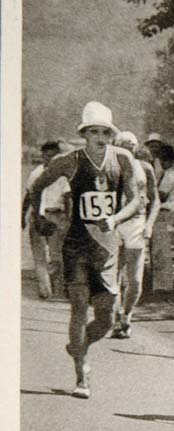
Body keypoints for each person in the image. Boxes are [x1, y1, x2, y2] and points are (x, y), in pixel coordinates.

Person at [28, 102, 140, 398]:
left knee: (105, 318)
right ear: (85, 134)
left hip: (107, 247)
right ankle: (82, 376)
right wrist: (39, 215)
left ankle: (79, 346)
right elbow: (37, 185)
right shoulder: (70, 161)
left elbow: (136, 201)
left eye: (105, 131)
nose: (100, 137)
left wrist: (115, 218)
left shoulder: (123, 159)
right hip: (77, 244)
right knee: (78, 307)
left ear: (112, 134)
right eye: (94, 131)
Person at [110, 131, 160, 338]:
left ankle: (126, 314)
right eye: (122, 146)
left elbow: (155, 200)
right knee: (113, 276)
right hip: (114, 223)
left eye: (130, 146)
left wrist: (149, 224)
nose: (127, 150)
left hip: (136, 223)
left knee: (135, 280)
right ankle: (115, 320)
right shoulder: (108, 168)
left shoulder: (145, 168)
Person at [22, 140, 71, 300]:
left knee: (57, 256)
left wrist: (69, 220)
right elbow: (29, 195)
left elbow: (68, 197)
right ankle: (45, 290)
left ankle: (57, 288)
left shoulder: (62, 176)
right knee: (39, 255)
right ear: (42, 156)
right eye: (47, 156)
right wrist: (23, 215)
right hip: (38, 215)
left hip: (57, 216)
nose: (50, 159)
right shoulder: (36, 173)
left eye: (54, 156)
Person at [151, 144, 174, 292]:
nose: (164, 162)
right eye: (162, 159)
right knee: (164, 249)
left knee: (162, 249)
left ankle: (164, 284)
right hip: (167, 212)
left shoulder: (170, 176)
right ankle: (164, 282)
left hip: (166, 212)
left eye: (166, 159)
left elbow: (161, 195)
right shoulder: (167, 174)